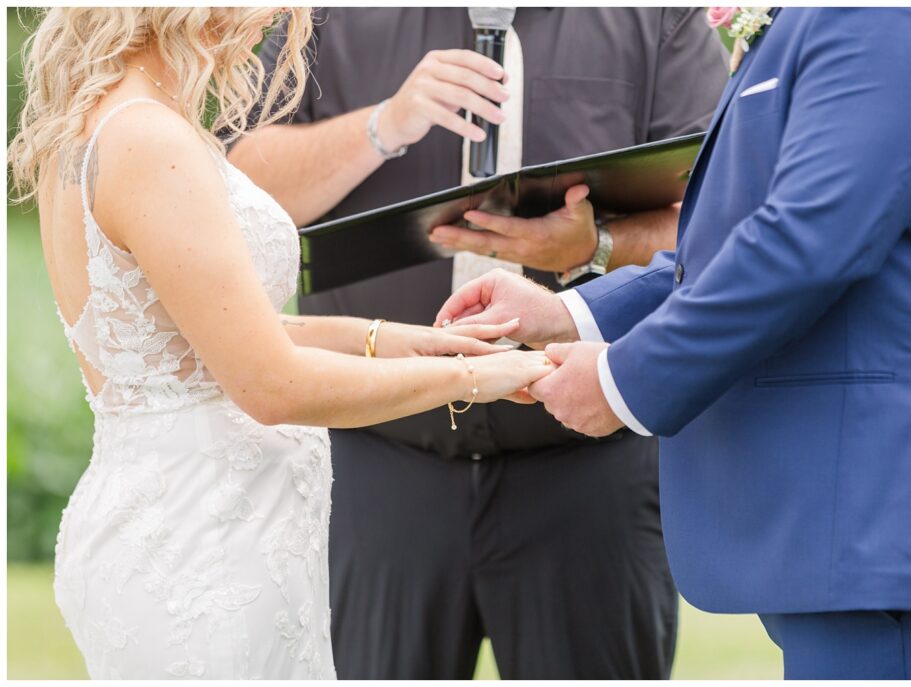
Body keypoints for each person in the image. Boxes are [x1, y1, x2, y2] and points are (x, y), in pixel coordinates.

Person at [438, 7, 911, 680]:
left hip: (901, 530)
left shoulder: (892, 13)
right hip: (860, 539)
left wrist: (624, 381)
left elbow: (805, 244)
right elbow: (738, 236)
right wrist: (570, 313)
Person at [8, 7, 552, 679]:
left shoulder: (109, 119)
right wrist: (477, 381)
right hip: (203, 548)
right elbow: (271, 384)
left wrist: (419, 344)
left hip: (189, 520)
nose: (269, 24)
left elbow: (215, 332)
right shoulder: (149, 139)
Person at [228, 7, 728, 680]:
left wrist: (596, 244)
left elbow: (725, 222)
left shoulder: (656, 16)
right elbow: (237, 190)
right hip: (376, 468)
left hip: (589, 473)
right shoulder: (324, 15)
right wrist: (384, 125)